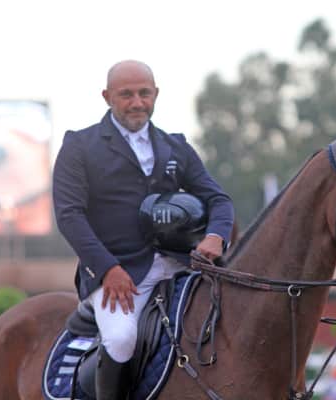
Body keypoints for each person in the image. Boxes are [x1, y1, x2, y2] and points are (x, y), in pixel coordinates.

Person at [53, 60, 234, 400]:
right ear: (107, 97)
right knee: (121, 339)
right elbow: (69, 216)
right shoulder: (79, 145)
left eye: (144, 93)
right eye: (126, 95)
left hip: (182, 265)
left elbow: (218, 199)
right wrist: (107, 270)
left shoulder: (176, 145)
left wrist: (216, 236)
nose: (137, 102)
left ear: (156, 94)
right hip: (118, 273)